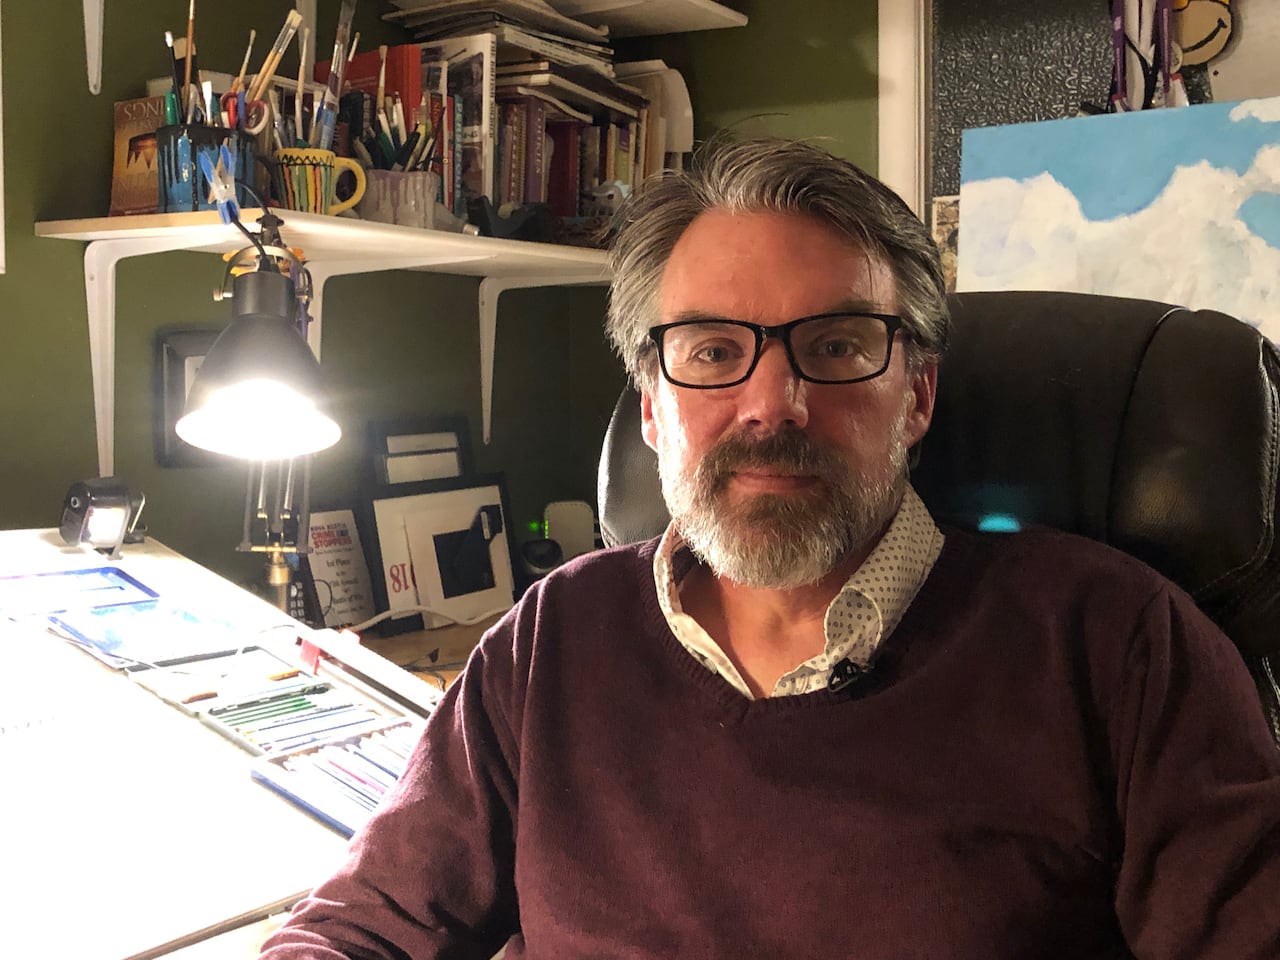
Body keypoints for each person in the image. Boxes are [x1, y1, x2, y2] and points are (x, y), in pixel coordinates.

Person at [261, 137, 1280, 959]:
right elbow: (364, 926)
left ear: (914, 395)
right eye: (710, 352)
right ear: (652, 410)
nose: (769, 406)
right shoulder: (553, 640)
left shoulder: (1117, 644)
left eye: (835, 347)